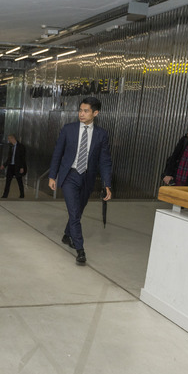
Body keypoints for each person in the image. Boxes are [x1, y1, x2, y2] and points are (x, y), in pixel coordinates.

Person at [48, 96, 112, 265]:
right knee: (75, 213)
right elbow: (57, 153)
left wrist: (107, 184)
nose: (81, 114)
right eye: (80, 110)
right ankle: (80, 249)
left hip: (88, 178)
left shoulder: (101, 134)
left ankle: (67, 234)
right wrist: (52, 176)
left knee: (79, 210)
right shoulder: (68, 129)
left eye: (86, 111)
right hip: (70, 176)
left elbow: (105, 161)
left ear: (95, 113)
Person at [0, 134, 27, 198]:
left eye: (9, 138)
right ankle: (5, 195)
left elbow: (23, 158)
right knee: (8, 181)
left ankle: (22, 195)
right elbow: (9, 157)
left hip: (17, 166)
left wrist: (22, 167)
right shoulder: (11, 147)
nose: (8, 140)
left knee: (19, 181)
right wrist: (4, 165)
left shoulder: (21, 146)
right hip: (11, 166)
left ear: (13, 138)